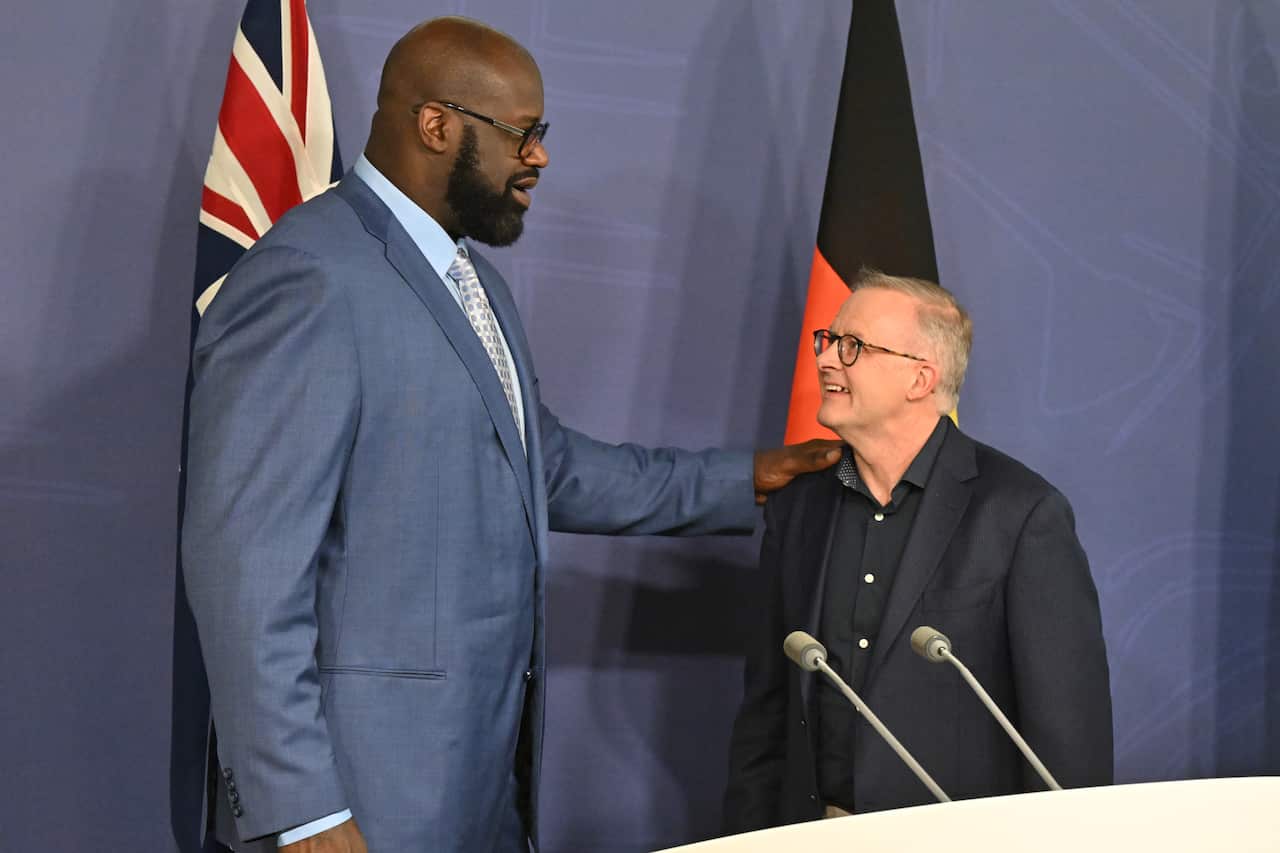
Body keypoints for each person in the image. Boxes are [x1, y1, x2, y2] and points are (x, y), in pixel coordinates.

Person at [181, 15, 838, 853]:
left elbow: (545, 466)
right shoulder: (306, 277)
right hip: (360, 800)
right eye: (524, 134)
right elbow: (245, 566)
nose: (541, 157)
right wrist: (301, 808)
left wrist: (747, 478)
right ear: (436, 124)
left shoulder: (475, 280)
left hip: (482, 789)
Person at [722, 270, 1113, 834]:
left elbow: (1067, 742)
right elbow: (766, 714)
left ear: (920, 378)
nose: (827, 360)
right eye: (827, 342)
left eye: (852, 346)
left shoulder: (1020, 513)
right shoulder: (798, 508)